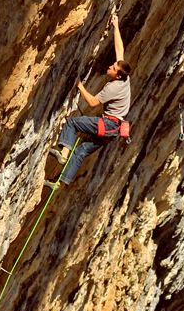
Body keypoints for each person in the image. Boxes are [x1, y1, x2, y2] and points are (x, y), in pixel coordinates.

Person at [46, 11, 131, 188]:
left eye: (113, 68)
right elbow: (120, 50)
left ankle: (63, 154)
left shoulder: (113, 87)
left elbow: (92, 102)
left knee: (72, 123)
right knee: (82, 150)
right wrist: (116, 26)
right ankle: (59, 183)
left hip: (108, 125)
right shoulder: (124, 78)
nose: (110, 66)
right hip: (114, 130)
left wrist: (79, 85)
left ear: (117, 76)